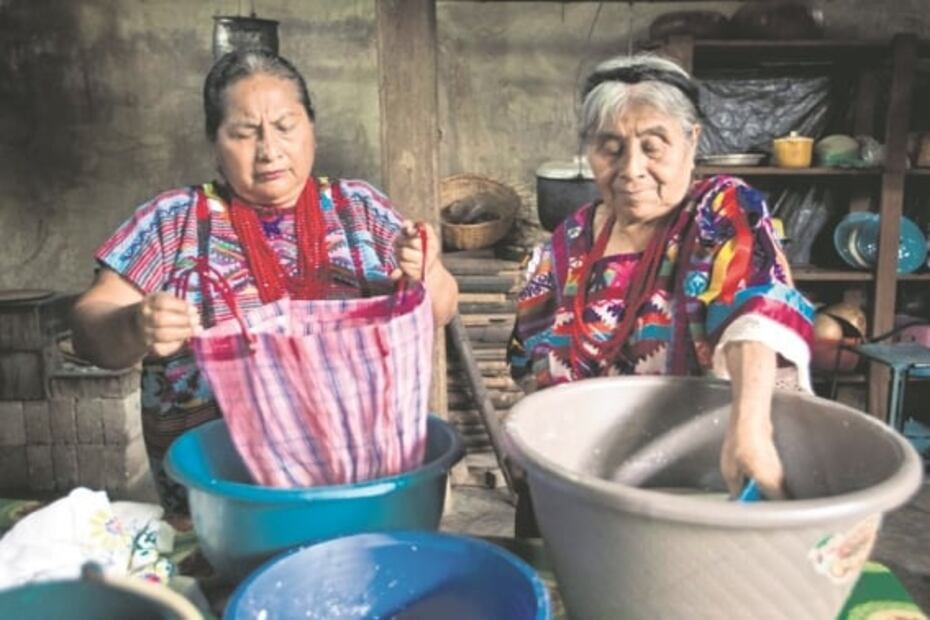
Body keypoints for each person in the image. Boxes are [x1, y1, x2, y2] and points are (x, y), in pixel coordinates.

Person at [71, 49, 459, 513]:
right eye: (243, 133)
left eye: (285, 126)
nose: (269, 150)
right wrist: (135, 325)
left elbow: (440, 308)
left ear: (311, 127)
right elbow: (88, 326)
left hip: (365, 488)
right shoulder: (172, 221)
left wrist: (427, 272)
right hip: (223, 500)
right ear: (214, 145)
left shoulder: (361, 209)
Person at [507, 53, 814, 525]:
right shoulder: (568, 241)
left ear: (692, 141)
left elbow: (755, 311)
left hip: (694, 480)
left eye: (653, 147)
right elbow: (529, 355)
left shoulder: (719, 211)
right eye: (610, 148)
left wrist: (751, 427)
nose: (631, 170)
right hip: (574, 482)